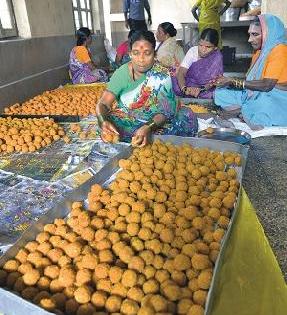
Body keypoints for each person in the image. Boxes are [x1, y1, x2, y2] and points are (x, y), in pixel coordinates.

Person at [96, 30, 198, 146]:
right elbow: (103, 104)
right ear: (130, 54)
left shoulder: (161, 74)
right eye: (136, 53)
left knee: (186, 116)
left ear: (154, 55)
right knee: (107, 121)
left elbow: (164, 113)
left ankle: (147, 136)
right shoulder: (122, 73)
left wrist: (148, 127)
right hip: (129, 119)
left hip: (157, 121)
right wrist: (103, 121)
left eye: (147, 53)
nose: (141, 59)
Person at [214, 14, 287, 127]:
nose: (249, 39)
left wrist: (233, 81)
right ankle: (244, 111)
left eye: (255, 34)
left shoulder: (280, 50)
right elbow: (251, 80)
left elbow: (267, 85)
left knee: (262, 104)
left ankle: (241, 111)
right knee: (221, 92)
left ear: (269, 33)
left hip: (275, 97)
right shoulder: (259, 52)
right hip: (255, 93)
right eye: (249, 34)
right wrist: (228, 82)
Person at [172, 28, 223, 99]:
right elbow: (181, 72)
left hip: (205, 88)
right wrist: (184, 88)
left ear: (215, 48)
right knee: (174, 85)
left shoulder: (217, 56)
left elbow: (215, 80)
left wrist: (201, 89)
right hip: (187, 84)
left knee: (218, 94)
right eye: (200, 45)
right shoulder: (193, 51)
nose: (203, 49)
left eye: (208, 47)